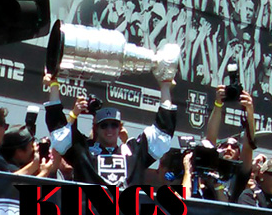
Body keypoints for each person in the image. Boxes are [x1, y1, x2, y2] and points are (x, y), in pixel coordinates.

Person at [43, 73, 177, 188]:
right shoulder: (84, 152)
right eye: (104, 125)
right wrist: (54, 86)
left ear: (120, 128)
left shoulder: (133, 153)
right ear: (96, 128)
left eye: (114, 125)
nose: (109, 129)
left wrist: (165, 87)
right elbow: (59, 132)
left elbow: (162, 133)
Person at [182, 85, 255, 202]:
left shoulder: (239, 172)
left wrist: (249, 112)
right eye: (225, 145)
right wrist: (218, 104)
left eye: (234, 147)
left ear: (239, 155)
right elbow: (210, 140)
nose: (229, 148)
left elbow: (249, 146)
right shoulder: (211, 165)